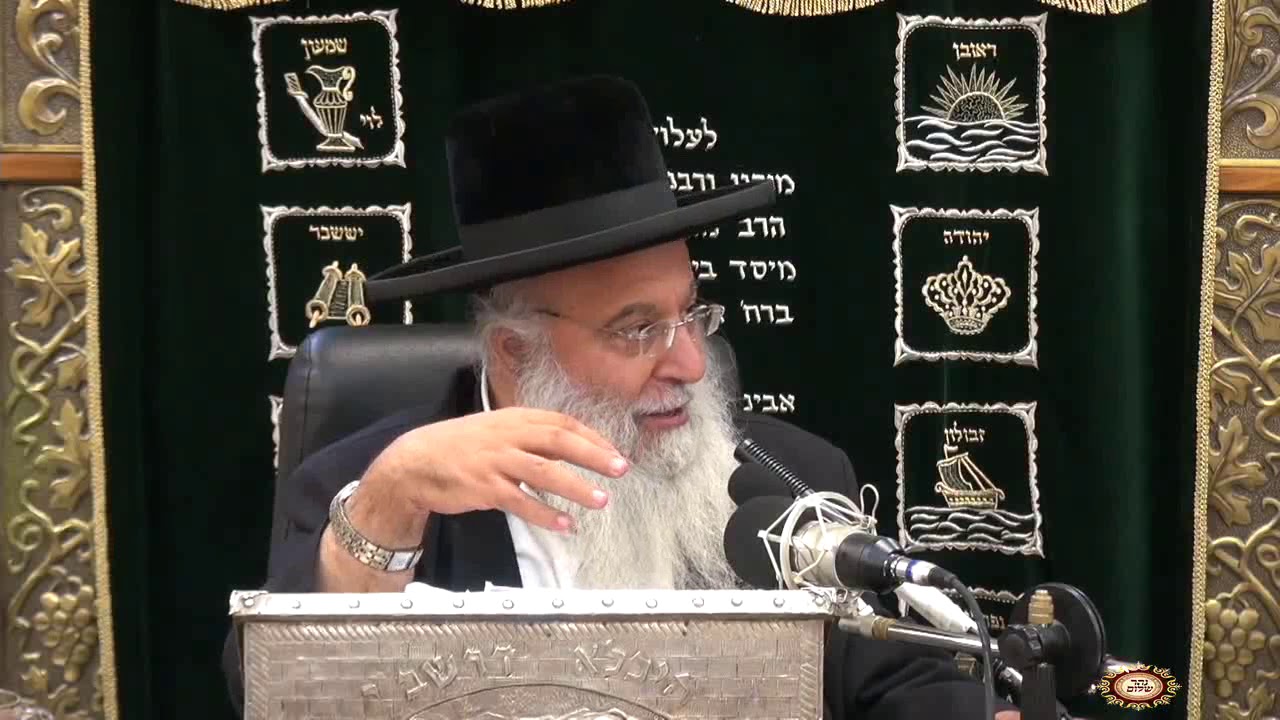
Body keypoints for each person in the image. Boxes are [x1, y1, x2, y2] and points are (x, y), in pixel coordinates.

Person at [222, 75, 1019, 720]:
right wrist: (388, 508)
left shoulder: (792, 481)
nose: (690, 363)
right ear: (514, 351)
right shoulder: (369, 489)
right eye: (637, 330)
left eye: (691, 314)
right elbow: (278, 693)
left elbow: (917, 688)